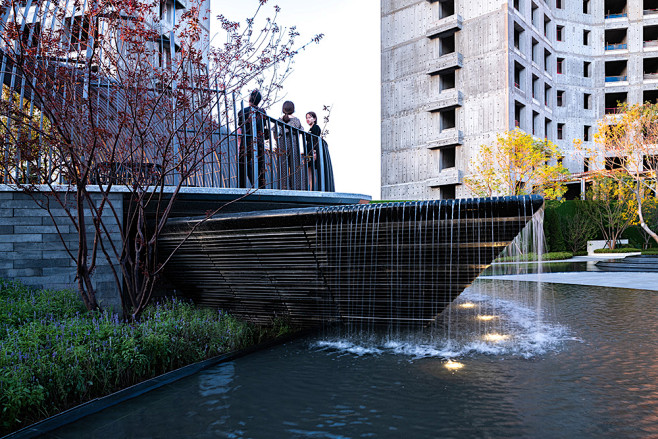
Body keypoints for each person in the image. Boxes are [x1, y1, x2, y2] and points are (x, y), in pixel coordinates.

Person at [237, 90, 269, 188]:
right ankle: (261, 187)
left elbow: (240, 127)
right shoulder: (262, 112)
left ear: (249, 98)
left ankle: (242, 187)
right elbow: (264, 126)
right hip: (259, 141)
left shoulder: (243, 111)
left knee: (243, 164)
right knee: (260, 165)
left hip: (246, 140)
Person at [277, 101, 303, 190]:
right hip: (293, 143)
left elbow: (275, 133)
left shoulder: (279, 120)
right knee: (295, 166)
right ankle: (295, 187)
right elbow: (300, 133)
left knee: (283, 166)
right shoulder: (296, 120)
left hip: (282, 143)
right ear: (293, 109)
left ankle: (283, 187)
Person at [305, 111, 322, 190]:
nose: (307, 119)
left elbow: (315, 140)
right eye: (306, 118)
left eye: (309, 117)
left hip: (313, 151)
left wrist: (315, 152)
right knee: (309, 171)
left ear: (314, 118)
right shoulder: (310, 129)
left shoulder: (316, 127)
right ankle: (310, 188)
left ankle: (313, 188)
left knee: (312, 171)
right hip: (309, 151)